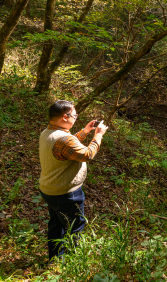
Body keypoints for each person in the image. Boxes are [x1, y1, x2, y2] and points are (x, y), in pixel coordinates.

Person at [38, 100, 108, 262]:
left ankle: (55, 259)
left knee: (56, 224)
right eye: (74, 115)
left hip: (49, 189)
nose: (76, 118)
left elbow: (66, 147)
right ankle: (72, 262)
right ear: (65, 117)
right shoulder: (63, 139)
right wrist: (98, 134)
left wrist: (85, 131)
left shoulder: (47, 132)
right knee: (75, 226)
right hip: (66, 193)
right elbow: (87, 154)